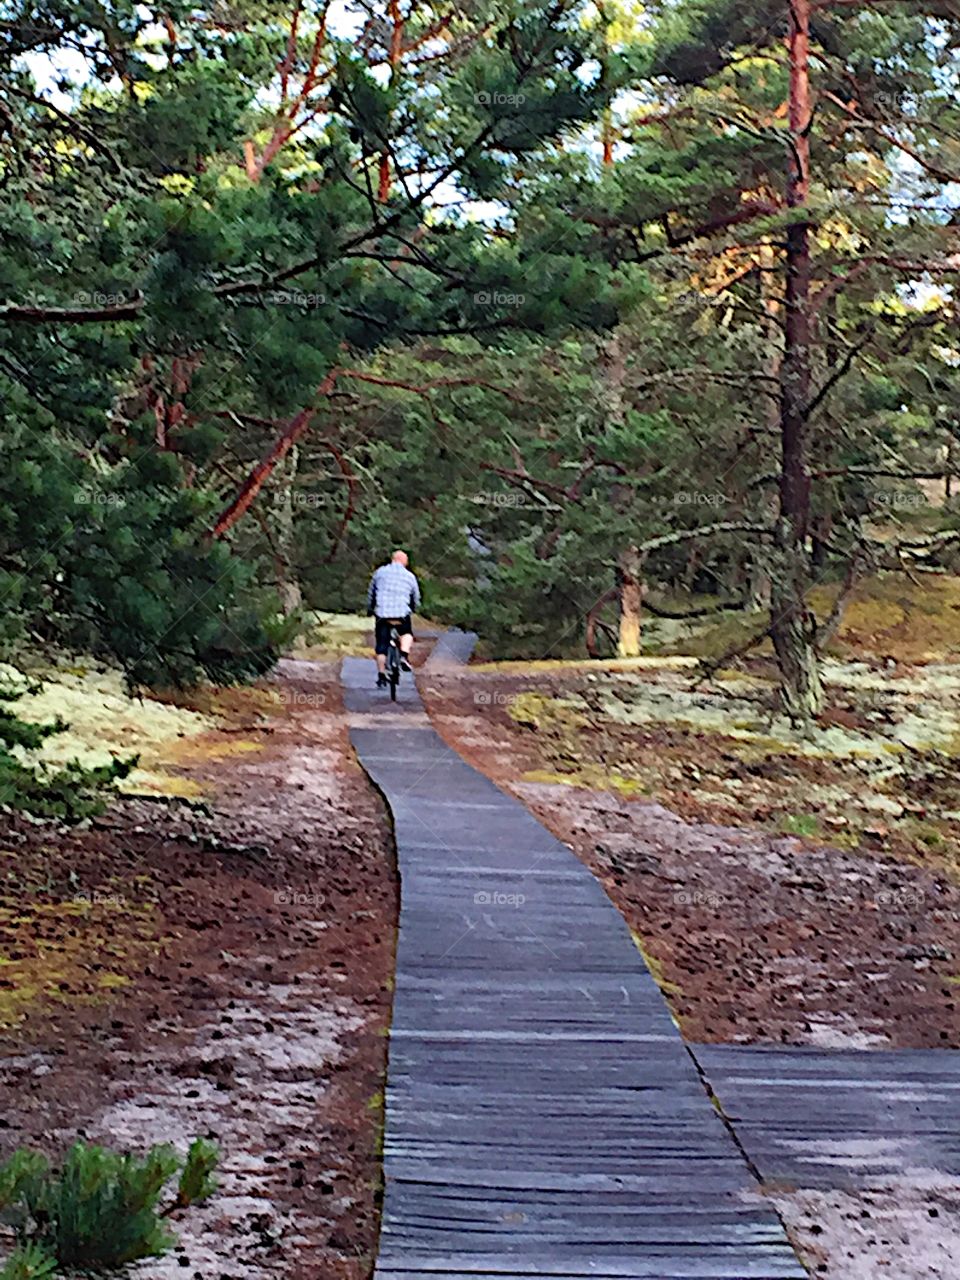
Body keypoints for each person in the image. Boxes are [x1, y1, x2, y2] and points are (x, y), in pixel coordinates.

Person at [367, 550, 422, 688]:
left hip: (382, 614)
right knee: (407, 633)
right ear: (404, 561)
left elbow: (371, 593)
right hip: (401, 614)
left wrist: (370, 608)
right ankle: (403, 656)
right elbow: (415, 596)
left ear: (392, 559)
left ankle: (381, 676)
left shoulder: (379, 572)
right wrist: (414, 607)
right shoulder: (409, 576)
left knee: (381, 646)